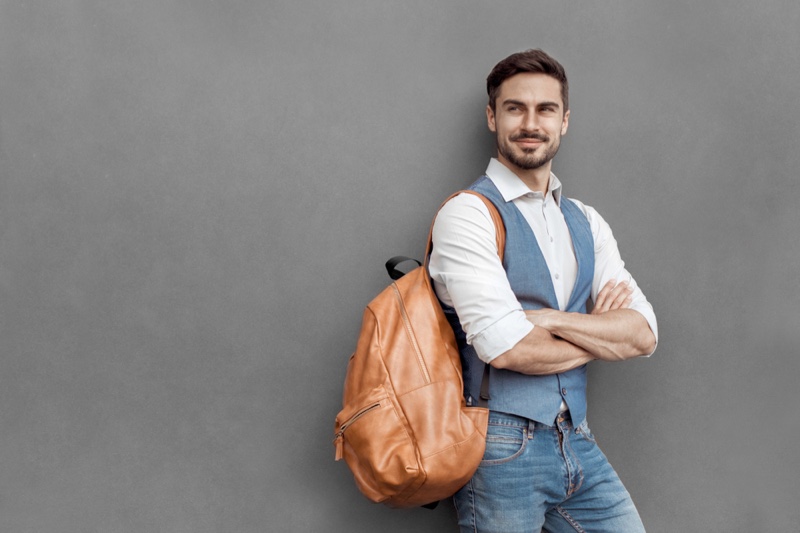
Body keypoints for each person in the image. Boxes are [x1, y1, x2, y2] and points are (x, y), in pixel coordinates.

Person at [429, 49, 658, 532]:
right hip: (500, 445)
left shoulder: (585, 220)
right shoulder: (468, 214)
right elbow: (505, 346)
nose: (530, 123)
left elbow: (643, 334)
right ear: (493, 116)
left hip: (576, 437)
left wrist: (551, 321)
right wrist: (601, 334)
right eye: (515, 108)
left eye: (545, 109)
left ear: (564, 121)